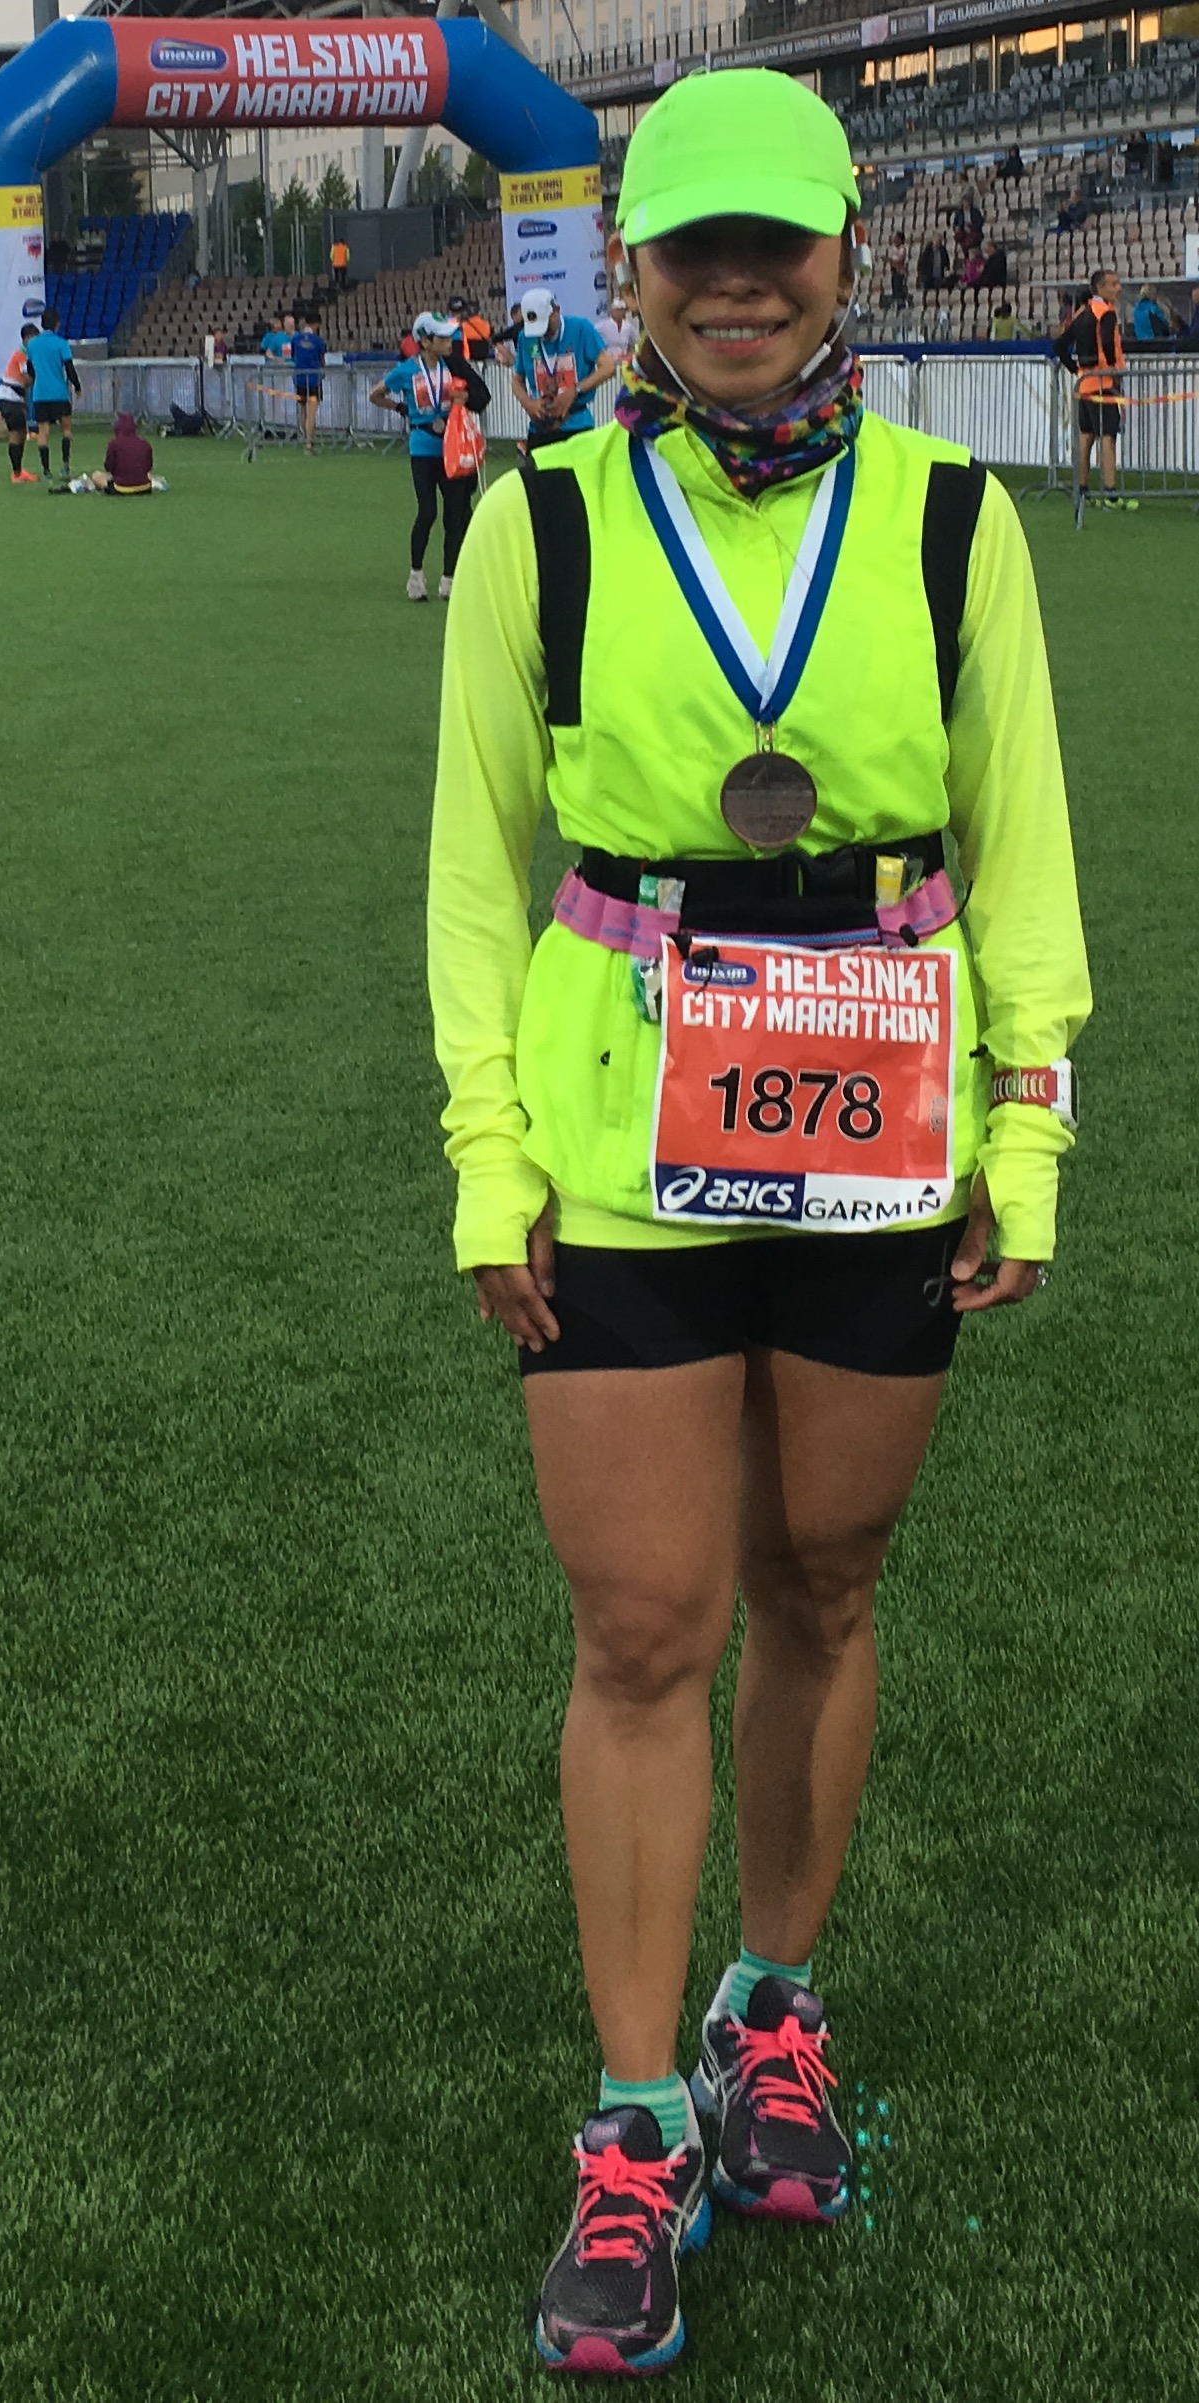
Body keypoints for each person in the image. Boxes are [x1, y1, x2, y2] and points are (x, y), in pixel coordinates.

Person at [428, 65, 1091, 2378]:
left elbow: (1020, 841)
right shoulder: (539, 521)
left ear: (844, 255)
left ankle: (769, 2009)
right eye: (690, 245)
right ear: (631, 267)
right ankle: (634, 2127)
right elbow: (471, 868)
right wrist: (489, 1150)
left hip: (879, 1119)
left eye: (771, 244)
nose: (733, 285)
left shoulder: (951, 519)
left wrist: (1031, 1127)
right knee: (641, 1628)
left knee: (825, 1580)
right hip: (622, 1137)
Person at [368, 310, 490, 600]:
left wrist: (465, 398)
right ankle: (416, 575)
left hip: (452, 449)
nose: (449, 342)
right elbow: (375, 394)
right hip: (422, 448)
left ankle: (449, 579)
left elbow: (481, 395)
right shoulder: (406, 370)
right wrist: (401, 409)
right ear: (425, 342)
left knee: (455, 514)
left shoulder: (454, 364)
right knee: (427, 512)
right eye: (442, 338)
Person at [1056, 267, 1138, 510]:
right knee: (1108, 437)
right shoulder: (1106, 313)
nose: (1118, 288)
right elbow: (1108, 344)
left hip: (1085, 384)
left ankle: (1082, 491)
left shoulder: (1083, 312)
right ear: (1100, 288)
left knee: (1086, 437)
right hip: (1103, 384)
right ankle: (1111, 495)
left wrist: (1076, 370)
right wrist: (1113, 369)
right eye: (1113, 284)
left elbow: (1059, 345)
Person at [511, 286, 617, 448]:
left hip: (576, 426)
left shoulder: (581, 329)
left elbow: (608, 367)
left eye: (545, 325)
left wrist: (575, 390)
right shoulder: (525, 337)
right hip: (540, 428)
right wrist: (528, 403)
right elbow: (516, 380)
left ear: (556, 311)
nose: (542, 334)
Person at [26, 307, 81, 482]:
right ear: (57, 324)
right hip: (59, 393)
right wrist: (77, 386)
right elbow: (69, 368)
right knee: (66, 430)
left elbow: (30, 370)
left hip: (40, 394)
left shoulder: (32, 345)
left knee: (43, 432)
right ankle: (65, 466)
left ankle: (46, 470)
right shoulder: (61, 344)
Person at [0, 322, 38, 485]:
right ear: (26, 338)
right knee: (16, 433)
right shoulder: (22, 354)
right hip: (10, 397)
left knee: (21, 432)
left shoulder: (27, 354)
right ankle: (16, 473)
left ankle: (19, 471)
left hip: (15, 397)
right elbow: (26, 379)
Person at [291, 309, 327, 452]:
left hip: (299, 378)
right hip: (313, 379)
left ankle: (307, 439)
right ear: (316, 325)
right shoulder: (318, 341)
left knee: (304, 411)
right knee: (311, 412)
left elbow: (293, 356)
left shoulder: (296, 339)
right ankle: (309, 443)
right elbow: (321, 359)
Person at [602, 294, 641, 361]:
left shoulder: (628, 327)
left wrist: (631, 354)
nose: (619, 313)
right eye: (617, 310)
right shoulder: (603, 325)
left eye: (621, 310)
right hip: (609, 361)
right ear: (612, 311)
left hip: (624, 362)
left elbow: (637, 341)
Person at [886, 230, 908, 303]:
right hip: (894, 271)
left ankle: (901, 303)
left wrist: (890, 260)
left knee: (899, 289)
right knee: (894, 289)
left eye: (896, 238)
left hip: (899, 273)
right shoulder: (894, 249)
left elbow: (899, 259)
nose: (894, 240)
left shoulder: (902, 249)